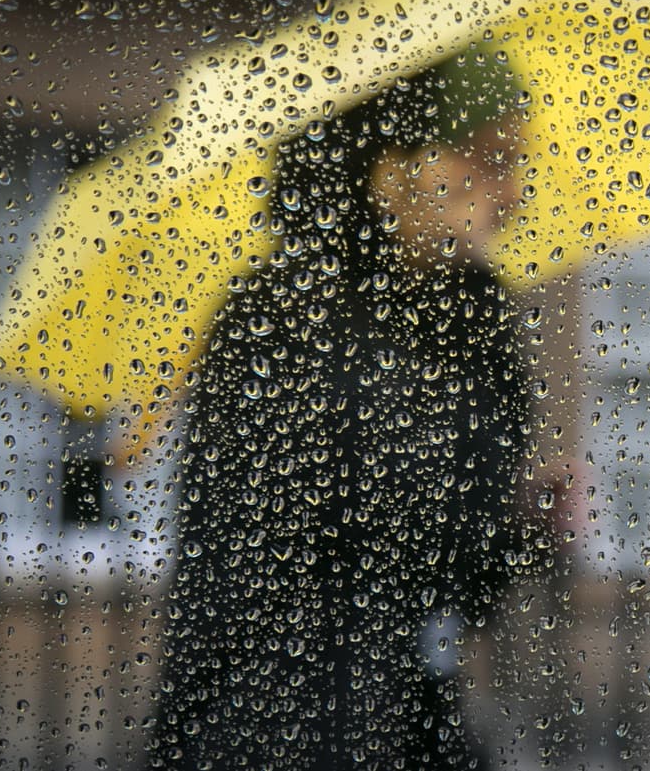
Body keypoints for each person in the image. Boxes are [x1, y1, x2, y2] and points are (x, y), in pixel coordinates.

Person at [149, 49, 543, 770]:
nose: (512, 194)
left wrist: (528, 524)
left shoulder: (476, 317)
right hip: (275, 721)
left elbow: (461, 585)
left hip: (419, 717)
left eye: (516, 163)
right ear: (393, 175)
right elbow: (264, 577)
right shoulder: (277, 317)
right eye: (488, 161)